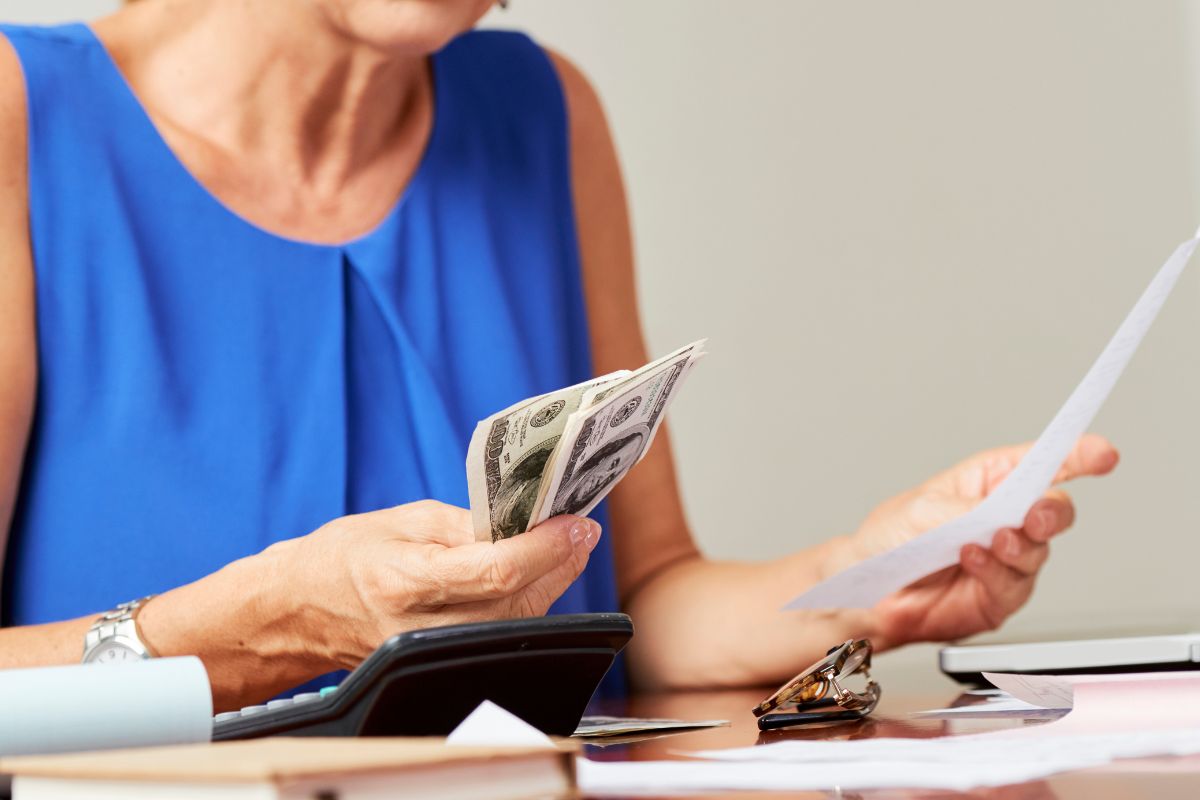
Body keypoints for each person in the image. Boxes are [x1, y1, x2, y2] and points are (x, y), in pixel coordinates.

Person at [0, 0, 1119, 711]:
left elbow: (645, 602)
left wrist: (863, 581)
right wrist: (264, 627)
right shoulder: (24, 119)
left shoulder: (544, 111)